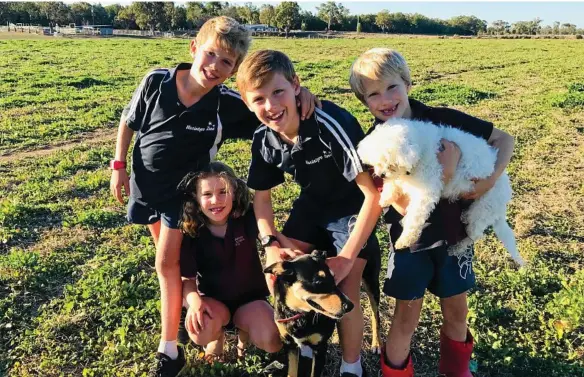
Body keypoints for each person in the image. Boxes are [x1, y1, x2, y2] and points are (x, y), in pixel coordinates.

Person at [108, 16, 317, 377]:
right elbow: (130, 120)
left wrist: (301, 95)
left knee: (165, 266)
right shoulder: (157, 80)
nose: (215, 67)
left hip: (183, 197)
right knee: (174, 266)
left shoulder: (224, 102)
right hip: (145, 191)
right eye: (211, 55)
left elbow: (265, 108)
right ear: (193, 49)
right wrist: (119, 164)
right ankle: (189, 311)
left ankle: (169, 350)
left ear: (233, 68)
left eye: (227, 63)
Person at [349, 47, 515, 377]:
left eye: (392, 87)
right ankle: (396, 372)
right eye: (373, 94)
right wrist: (448, 175)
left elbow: (503, 139)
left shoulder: (443, 119)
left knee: (457, 311)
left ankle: (457, 371)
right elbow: (401, 205)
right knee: (406, 318)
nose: (385, 99)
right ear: (364, 102)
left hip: (456, 237)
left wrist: (485, 184)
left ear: (407, 83)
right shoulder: (375, 147)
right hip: (412, 244)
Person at [236, 49, 382, 377]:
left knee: (345, 285)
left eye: (278, 92)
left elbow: (373, 196)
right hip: (311, 206)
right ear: (247, 103)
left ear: (296, 86)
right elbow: (261, 201)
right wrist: (271, 241)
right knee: (277, 272)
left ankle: (351, 365)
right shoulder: (263, 138)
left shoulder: (329, 123)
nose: (271, 106)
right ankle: (298, 339)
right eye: (259, 99)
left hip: (352, 208)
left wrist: (345, 257)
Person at [178, 162, 281, 363]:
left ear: (234, 191)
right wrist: (194, 302)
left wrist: (282, 246)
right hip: (214, 302)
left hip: (251, 299)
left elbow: (271, 235)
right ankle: (217, 338)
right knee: (200, 332)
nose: (216, 200)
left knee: (273, 340)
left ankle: (245, 336)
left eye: (223, 191)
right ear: (196, 199)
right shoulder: (191, 232)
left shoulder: (247, 216)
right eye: (207, 194)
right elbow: (187, 279)